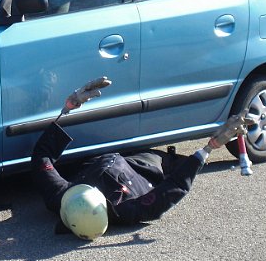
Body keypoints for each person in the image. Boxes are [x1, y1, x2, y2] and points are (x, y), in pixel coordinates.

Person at [30, 77, 252, 240]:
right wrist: (211, 147)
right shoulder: (130, 210)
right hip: (150, 164)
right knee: (179, 163)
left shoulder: (60, 196)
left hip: (111, 151)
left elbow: (42, 157)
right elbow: (174, 187)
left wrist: (69, 107)